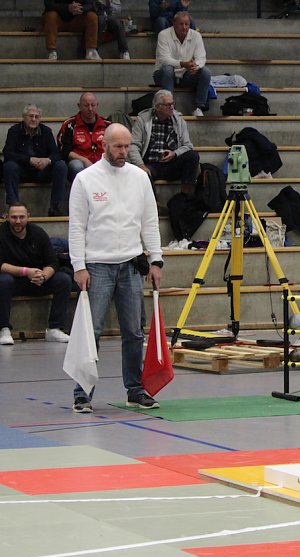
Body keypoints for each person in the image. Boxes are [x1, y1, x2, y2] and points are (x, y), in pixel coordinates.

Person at [68, 123, 164, 413]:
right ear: (104, 145)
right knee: (91, 331)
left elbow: (150, 221)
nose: (123, 152)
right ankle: (82, 393)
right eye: (118, 147)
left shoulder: (139, 177)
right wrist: (78, 266)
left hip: (131, 264)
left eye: (127, 146)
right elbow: (77, 227)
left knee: (134, 332)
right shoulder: (85, 179)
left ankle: (135, 390)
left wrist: (156, 260)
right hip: (97, 265)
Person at [0, 202, 72, 346]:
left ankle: (54, 328)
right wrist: (25, 272)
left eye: (21, 217)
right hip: (14, 281)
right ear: (7, 217)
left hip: (37, 280)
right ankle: (4, 328)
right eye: (14, 217)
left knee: (63, 279)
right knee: (3, 281)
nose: (18, 221)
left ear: (28, 217)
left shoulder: (38, 233)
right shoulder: (1, 233)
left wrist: (43, 275)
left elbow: (53, 262)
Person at [128, 89, 200, 197]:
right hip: (150, 164)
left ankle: (186, 198)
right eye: (167, 105)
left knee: (192, 155)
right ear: (157, 107)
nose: (172, 107)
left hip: (172, 164)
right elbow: (133, 145)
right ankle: (153, 206)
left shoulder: (179, 120)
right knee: (143, 174)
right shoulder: (142, 120)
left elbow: (188, 146)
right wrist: (141, 165)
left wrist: (174, 153)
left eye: (172, 104)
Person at [3, 104, 68, 217]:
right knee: (9, 166)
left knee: (61, 166)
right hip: (22, 170)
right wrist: (29, 160)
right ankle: (13, 206)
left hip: (41, 171)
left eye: (36, 117)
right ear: (24, 117)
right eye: (30, 116)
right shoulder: (14, 131)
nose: (33, 119)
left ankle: (56, 207)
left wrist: (47, 160)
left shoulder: (46, 131)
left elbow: (57, 154)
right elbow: (8, 154)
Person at [154, 11, 211, 117]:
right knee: (167, 69)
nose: (184, 27)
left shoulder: (196, 36)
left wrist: (195, 66)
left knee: (205, 72)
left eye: (187, 24)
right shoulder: (163, 35)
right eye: (181, 24)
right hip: (163, 75)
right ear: (174, 24)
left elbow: (201, 57)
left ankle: (199, 107)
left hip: (186, 75)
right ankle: (170, 107)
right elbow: (164, 59)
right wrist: (182, 64)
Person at [57, 92, 111, 183]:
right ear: (79, 106)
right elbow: (64, 151)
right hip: (80, 163)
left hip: (102, 162)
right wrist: (85, 160)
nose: (90, 109)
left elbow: (114, 148)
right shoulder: (69, 125)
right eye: (86, 105)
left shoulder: (107, 125)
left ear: (97, 105)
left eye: (93, 105)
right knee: (76, 166)